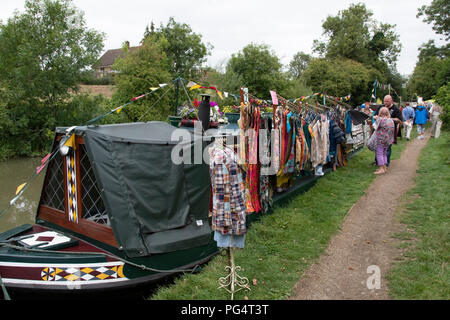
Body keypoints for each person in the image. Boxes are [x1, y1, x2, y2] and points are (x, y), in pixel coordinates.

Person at [373, 95, 403, 168]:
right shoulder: (381, 107)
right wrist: (376, 118)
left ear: (391, 101)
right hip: (380, 132)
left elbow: (399, 120)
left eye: (387, 101)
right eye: (384, 101)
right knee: (379, 148)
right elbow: (375, 115)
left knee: (387, 148)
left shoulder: (396, 109)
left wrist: (388, 119)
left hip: (390, 132)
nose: (385, 103)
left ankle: (386, 164)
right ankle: (378, 162)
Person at [373, 107, 395, 175]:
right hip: (388, 139)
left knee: (379, 153)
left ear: (380, 113)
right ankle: (384, 167)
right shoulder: (391, 120)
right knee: (384, 153)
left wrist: (375, 118)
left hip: (381, 139)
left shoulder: (380, 120)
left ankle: (381, 168)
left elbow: (374, 126)